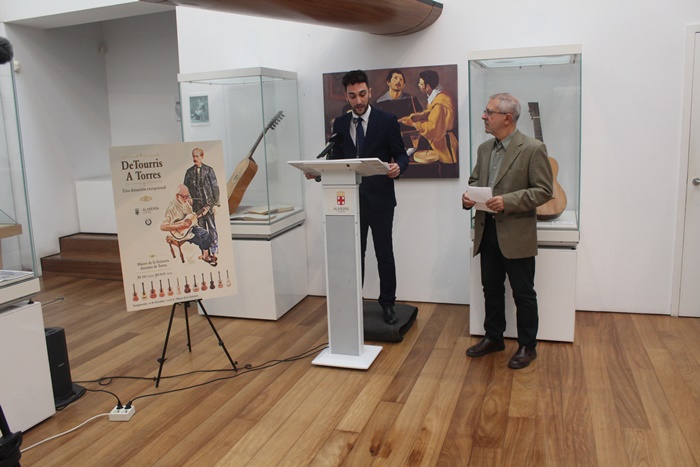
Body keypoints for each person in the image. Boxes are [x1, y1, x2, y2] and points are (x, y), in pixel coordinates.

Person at [461, 93, 553, 369]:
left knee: (523, 293)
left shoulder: (533, 149)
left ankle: (528, 345)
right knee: (491, 288)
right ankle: (494, 337)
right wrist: (467, 197)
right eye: (485, 111)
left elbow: (544, 191)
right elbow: (475, 180)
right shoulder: (484, 148)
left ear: (507, 118)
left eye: (488, 112)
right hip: (486, 230)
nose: (483, 116)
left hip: (516, 234)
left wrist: (508, 201)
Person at [312, 69, 409, 324]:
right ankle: (354, 301)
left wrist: (399, 166)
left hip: (381, 200)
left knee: (384, 254)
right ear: (346, 95)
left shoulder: (387, 120)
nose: (358, 101)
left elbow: (401, 155)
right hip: (350, 201)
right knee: (355, 255)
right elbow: (335, 159)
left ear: (370, 92)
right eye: (353, 96)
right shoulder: (341, 124)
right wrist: (320, 173)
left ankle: (388, 303)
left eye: (362, 94)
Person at [399, 69, 458, 165]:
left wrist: (414, 124)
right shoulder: (439, 95)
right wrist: (415, 116)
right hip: (441, 141)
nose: (418, 85)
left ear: (428, 87)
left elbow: (434, 128)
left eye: (421, 84)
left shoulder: (440, 104)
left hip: (444, 146)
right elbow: (431, 112)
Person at [161, 184, 217, 266]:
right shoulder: (171, 208)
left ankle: (205, 256)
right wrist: (180, 226)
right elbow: (163, 227)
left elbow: (192, 217)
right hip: (181, 233)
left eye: (188, 196)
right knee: (204, 236)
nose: (187, 199)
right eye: (184, 197)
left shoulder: (186, 203)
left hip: (191, 228)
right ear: (177, 195)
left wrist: (202, 214)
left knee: (206, 235)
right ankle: (206, 256)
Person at [183, 147, 220, 258]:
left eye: (197, 156)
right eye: (193, 156)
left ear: (202, 156)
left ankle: (214, 251)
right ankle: (205, 253)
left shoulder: (209, 170)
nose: (195, 158)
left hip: (208, 205)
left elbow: (215, 187)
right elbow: (185, 188)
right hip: (196, 207)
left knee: (212, 228)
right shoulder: (189, 172)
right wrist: (188, 198)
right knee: (202, 231)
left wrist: (215, 204)